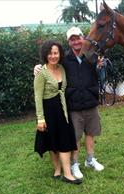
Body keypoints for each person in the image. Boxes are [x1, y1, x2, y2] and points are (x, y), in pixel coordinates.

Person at [34, 27, 104, 180]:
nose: (76, 41)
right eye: (72, 39)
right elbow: (50, 66)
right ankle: (74, 164)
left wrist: (100, 67)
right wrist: (38, 67)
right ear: (68, 42)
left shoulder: (92, 56)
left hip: (91, 102)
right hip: (74, 105)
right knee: (75, 137)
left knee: (91, 132)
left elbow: (100, 75)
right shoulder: (64, 59)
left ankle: (90, 159)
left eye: (78, 37)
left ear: (83, 37)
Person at [34, 40, 82, 185]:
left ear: (59, 54)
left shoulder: (61, 68)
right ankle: (57, 169)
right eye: (50, 53)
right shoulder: (41, 73)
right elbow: (37, 96)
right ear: (45, 55)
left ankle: (67, 174)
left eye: (55, 53)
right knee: (52, 141)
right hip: (49, 111)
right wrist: (40, 119)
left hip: (63, 109)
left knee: (65, 141)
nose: (53, 56)